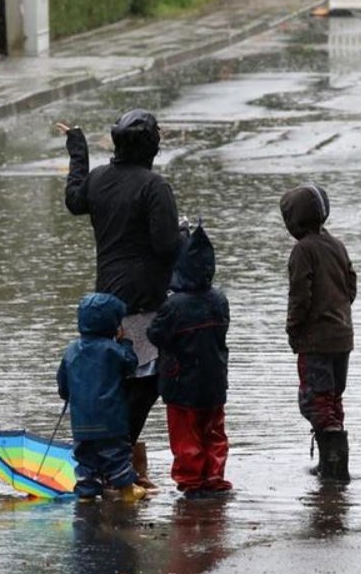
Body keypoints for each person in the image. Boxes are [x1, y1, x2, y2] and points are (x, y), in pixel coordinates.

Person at [60, 108, 186, 490]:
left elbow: (73, 200)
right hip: (145, 301)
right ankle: (119, 458)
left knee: (114, 379)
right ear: (150, 146)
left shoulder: (98, 179)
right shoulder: (154, 187)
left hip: (109, 301)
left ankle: (113, 460)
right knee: (146, 383)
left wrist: (77, 151)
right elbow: (166, 246)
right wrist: (184, 235)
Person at [147, 223, 232, 499]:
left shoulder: (174, 306)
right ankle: (214, 477)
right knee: (214, 432)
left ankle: (191, 481)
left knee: (186, 436)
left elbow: (156, 334)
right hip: (215, 382)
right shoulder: (219, 300)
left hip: (181, 383)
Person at [279, 183, 358, 483]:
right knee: (333, 398)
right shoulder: (337, 245)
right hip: (343, 337)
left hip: (315, 341)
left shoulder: (303, 251)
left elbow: (300, 295)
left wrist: (294, 329)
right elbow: (351, 286)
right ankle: (331, 466)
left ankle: (334, 470)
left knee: (316, 400)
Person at [56, 292, 147, 503]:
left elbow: (63, 383)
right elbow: (130, 365)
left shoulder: (71, 350)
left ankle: (87, 493)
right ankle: (126, 490)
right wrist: (126, 343)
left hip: (81, 423)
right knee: (116, 455)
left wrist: (67, 395)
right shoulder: (113, 350)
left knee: (85, 458)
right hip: (111, 420)